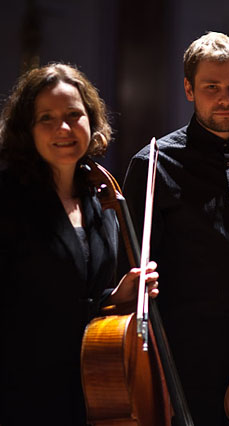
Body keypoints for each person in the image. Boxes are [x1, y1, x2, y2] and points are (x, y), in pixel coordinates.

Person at [123, 32, 229, 425]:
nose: (225, 98)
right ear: (189, 89)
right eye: (211, 87)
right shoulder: (153, 164)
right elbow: (130, 259)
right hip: (182, 351)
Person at [0, 63, 159, 425]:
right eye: (47, 118)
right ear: (27, 130)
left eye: (74, 114)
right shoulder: (8, 199)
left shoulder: (100, 197)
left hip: (89, 384)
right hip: (23, 388)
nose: (64, 129)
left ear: (92, 119)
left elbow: (77, 291)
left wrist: (115, 296)